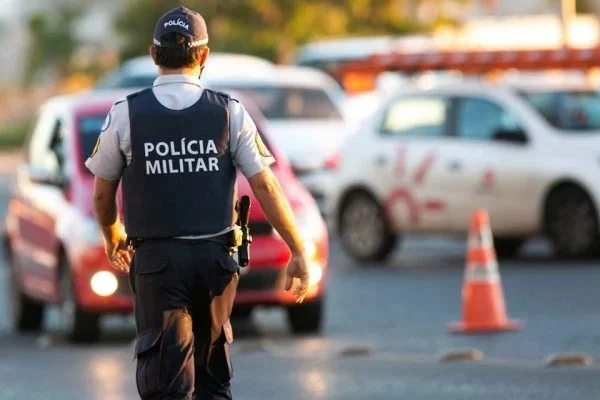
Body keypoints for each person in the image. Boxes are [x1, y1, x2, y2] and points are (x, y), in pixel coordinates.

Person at [85, 6, 310, 400]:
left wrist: (112, 233)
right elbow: (267, 187)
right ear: (203, 56)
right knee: (213, 383)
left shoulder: (125, 114)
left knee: (166, 385)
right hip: (215, 262)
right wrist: (298, 249)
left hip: (157, 266)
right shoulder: (230, 112)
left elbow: (102, 195)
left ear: (154, 55)